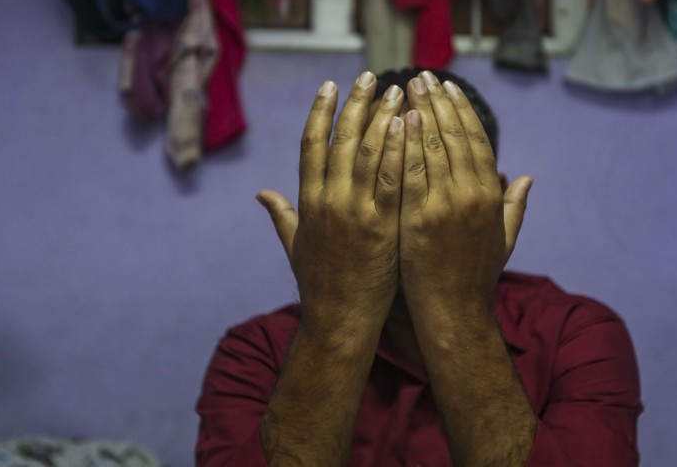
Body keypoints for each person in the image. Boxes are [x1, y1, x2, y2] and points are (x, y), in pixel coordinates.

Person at [195, 68, 642, 466]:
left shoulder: (576, 333)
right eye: (374, 182)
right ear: (333, 202)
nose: (402, 205)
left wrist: (457, 308)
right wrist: (337, 317)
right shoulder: (256, 351)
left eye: (430, 178)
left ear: (489, 202)